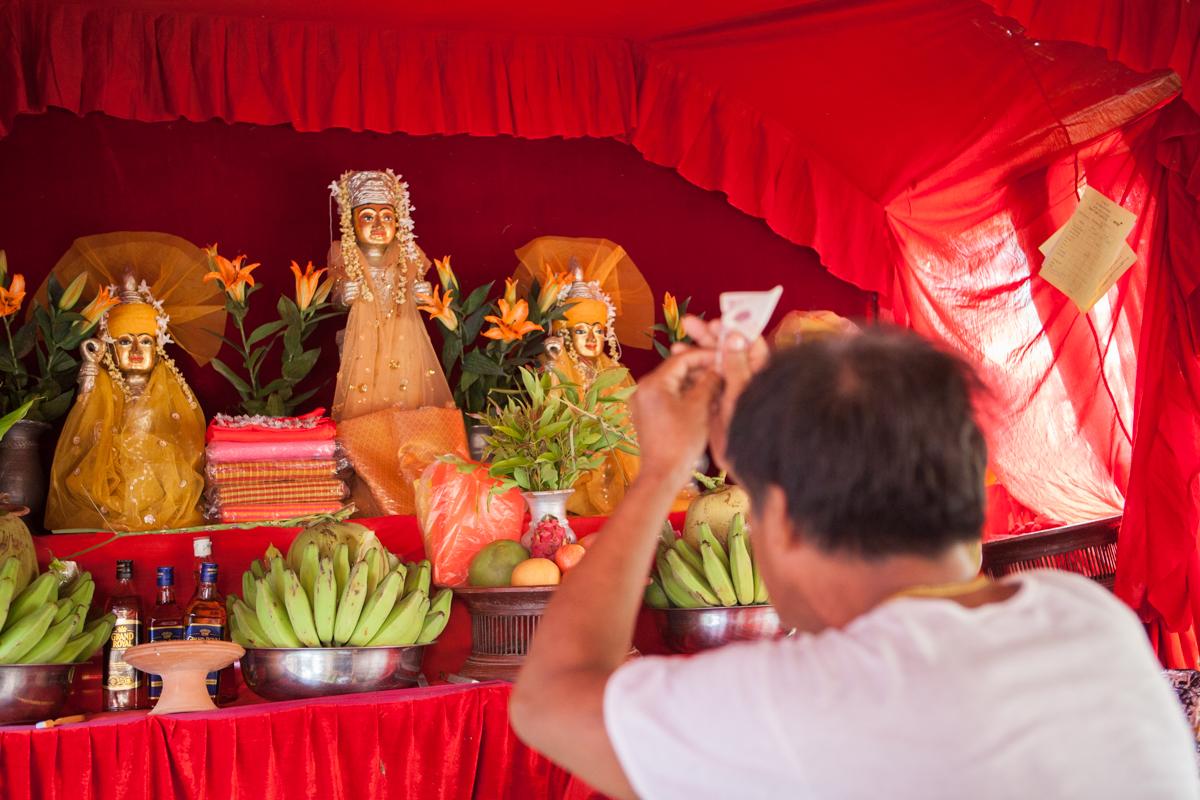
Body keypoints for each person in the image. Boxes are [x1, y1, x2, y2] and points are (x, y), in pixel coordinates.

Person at [510, 319, 1199, 799]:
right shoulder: (1081, 619)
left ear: (781, 521)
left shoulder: (811, 701)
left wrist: (661, 469)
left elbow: (546, 702)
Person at [327, 169, 465, 515]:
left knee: (411, 406)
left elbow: (416, 289)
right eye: (368, 217)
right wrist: (345, 293)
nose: (378, 225)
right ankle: (372, 490)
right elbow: (335, 297)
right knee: (365, 412)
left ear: (400, 221)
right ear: (350, 223)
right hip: (365, 347)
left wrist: (420, 293)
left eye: (387, 217)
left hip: (406, 344)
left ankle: (413, 490)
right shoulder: (346, 257)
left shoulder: (408, 257)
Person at [47, 275, 206, 531]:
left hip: (159, 490)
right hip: (109, 484)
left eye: (145, 341)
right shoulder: (104, 386)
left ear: (158, 349)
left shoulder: (171, 389)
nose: (135, 350)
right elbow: (82, 417)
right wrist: (90, 364)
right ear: (109, 349)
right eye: (124, 341)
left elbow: (188, 443)